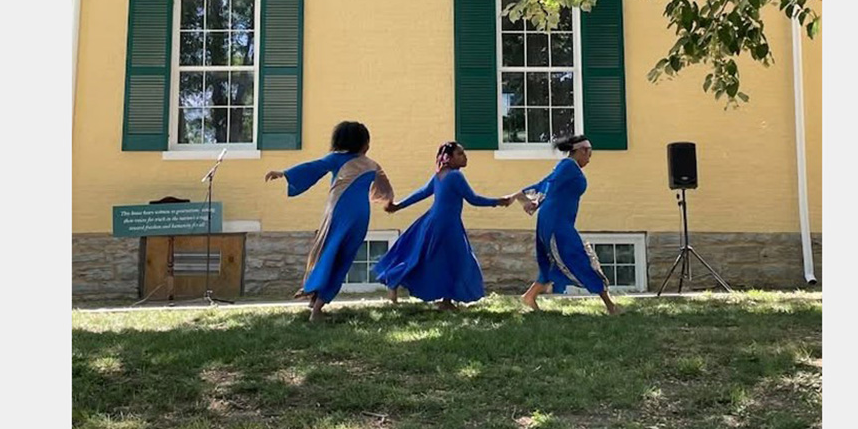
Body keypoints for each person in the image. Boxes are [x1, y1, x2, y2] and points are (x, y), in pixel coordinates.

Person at [264, 121, 393, 321]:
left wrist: (285, 173)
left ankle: (313, 297)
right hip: (360, 217)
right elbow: (384, 188)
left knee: (328, 253)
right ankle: (316, 300)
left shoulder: (336, 159)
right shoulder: (372, 165)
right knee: (342, 258)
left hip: (338, 213)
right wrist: (390, 203)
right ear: (363, 144)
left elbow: (313, 167)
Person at [372, 141, 517, 310]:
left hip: (435, 221)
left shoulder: (440, 175)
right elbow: (473, 199)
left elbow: (421, 193)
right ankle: (439, 298)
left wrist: (398, 206)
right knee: (457, 260)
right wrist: (497, 202)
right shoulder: (455, 176)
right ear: (449, 158)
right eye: (460, 154)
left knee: (437, 259)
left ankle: (443, 300)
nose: (465, 157)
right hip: (446, 224)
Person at [519, 134, 622, 315]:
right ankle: (610, 305)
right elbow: (548, 183)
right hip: (556, 221)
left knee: (554, 261)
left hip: (556, 219)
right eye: (589, 154)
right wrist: (529, 199)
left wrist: (532, 200)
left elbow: (549, 185)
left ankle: (529, 296)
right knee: (579, 256)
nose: (589, 159)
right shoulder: (567, 166)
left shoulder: (567, 166)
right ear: (581, 151)